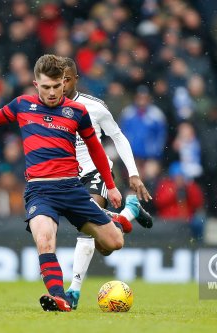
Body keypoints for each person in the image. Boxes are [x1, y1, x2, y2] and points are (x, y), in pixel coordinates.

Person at [0, 54, 129, 312]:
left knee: (114, 243)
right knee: (45, 241)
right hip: (40, 191)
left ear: (64, 83)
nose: (53, 92)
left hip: (71, 188)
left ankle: (112, 217)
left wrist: (110, 185)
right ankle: (60, 298)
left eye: (57, 86)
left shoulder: (77, 112)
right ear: (36, 84)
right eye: (46, 87)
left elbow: (96, 150)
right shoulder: (23, 105)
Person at [61, 57, 153, 310]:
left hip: (95, 172)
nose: (63, 84)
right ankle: (128, 213)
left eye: (67, 79)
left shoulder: (94, 107)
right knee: (107, 246)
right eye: (59, 79)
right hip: (66, 177)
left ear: (76, 79)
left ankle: (73, 292)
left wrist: (133, 173)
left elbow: (118, 136)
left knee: (86, 228)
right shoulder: (47, 106)